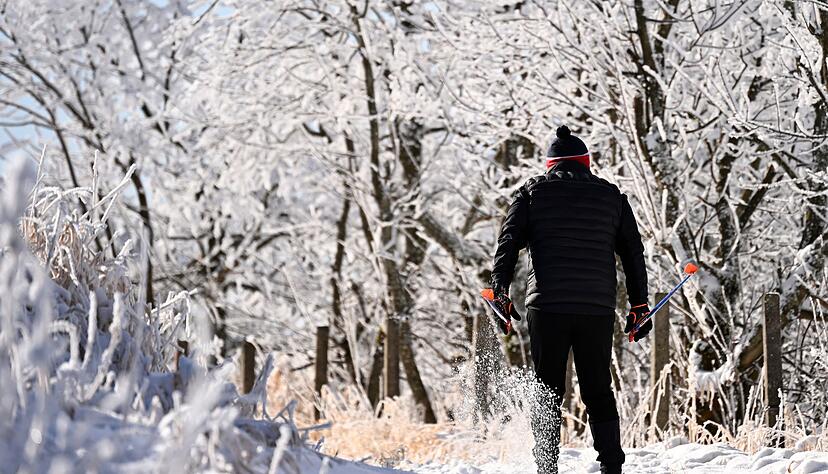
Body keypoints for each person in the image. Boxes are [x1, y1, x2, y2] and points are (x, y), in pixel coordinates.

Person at [488, 125, 650, 474]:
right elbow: (633, 254)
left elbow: (508, 243)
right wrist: (640, 305)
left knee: (547, 389)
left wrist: (500, 290)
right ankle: (612, 466)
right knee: (598, 389)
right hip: (596, 307)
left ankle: (547, 468)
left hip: (547, 305)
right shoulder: (612, 197)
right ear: (585, 162)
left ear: (550, 165)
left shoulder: (531, 194)